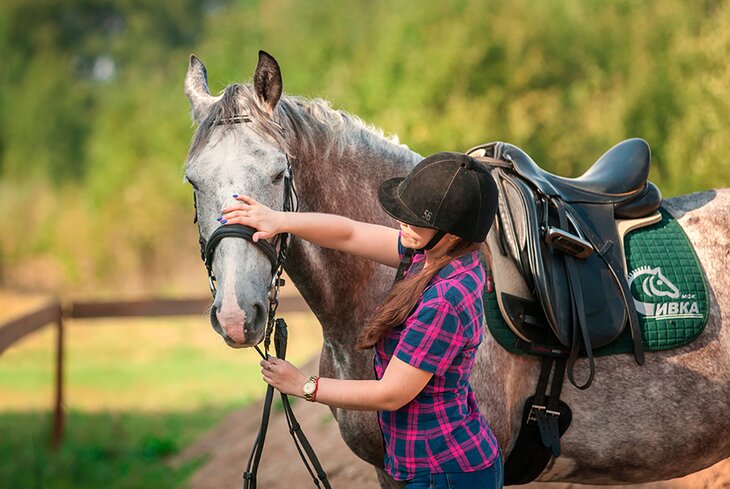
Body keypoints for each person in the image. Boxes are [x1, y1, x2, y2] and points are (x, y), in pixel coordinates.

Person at [219, 152, 503, 488]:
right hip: (437, 464)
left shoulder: (446, 298)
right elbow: (349, 234)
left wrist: (303, 385)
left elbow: (391, 393)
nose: (402, 223)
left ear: (452, 234)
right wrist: (279, 220)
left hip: (443, 474)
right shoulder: (431, 255)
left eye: (414, 219)